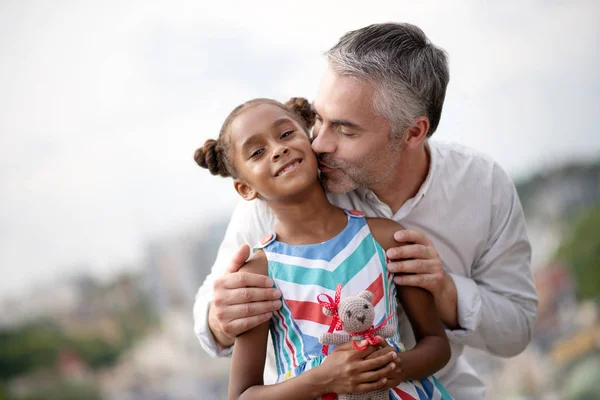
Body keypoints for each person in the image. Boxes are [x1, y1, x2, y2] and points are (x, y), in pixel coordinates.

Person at [193, 22, 538, 398]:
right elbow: (212, 318)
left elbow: (516, 330)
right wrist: (222, 316)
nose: (319, 144)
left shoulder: (482, 186)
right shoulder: (276, 202)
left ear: (412, 133)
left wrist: (445, 290)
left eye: (345, 130)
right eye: (319, 120)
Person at [194, 96, 453, 399]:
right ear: (245, 188)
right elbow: (242, 395)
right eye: (257, 151)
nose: (279, 149)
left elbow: (437, 346)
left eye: (287, 134)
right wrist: (324, 379)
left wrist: (396, 367)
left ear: (312, 140)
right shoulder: (259, 274)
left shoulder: (386, 238)